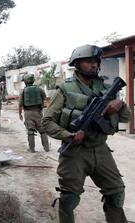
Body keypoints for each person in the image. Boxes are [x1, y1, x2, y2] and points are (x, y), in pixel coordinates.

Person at [41, 45, 130, 223]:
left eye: (96, 61)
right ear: (77, 64)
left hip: (100, 149)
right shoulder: (65, 89)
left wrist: (120, 105)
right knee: (69, 199)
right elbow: (47, 122)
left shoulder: (106, 88)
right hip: (74, 151)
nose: (93, 65)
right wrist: (68, 135)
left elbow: (126, 118)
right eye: (88, 61)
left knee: (116, 193)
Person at [19, 73, 49, 152]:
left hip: (28, 113)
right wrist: (43, 107)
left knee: (30, 131)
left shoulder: (24, 91)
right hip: (38, 112)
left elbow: (20, 104)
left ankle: (32, 149)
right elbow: (45, 98)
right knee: (42, 130)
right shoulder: (39, 89)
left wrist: (20, 114)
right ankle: (46, 148)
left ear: (25, 81)